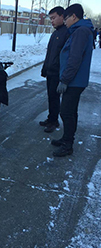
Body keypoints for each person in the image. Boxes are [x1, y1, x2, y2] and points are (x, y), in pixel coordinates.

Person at [51, 3, 94, 157]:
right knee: (71, 112)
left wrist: (65, 80)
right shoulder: (79, 30)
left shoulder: (81, 32)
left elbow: (74, 59)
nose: (65, 21)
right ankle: (66, 138)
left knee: (66, 112)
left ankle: (68, 145)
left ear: (74, 16)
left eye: (67, 17)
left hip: (74, 81)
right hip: (75, 81)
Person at [40, 6, 69, 133]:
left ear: (62, 16)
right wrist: (45, 67)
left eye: (53, 18)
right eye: (50, 18)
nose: (51, 21)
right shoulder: (55, 33)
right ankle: (50, 118)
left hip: (58, 73)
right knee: (51, 97)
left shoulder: (67, 33)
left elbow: (66, 56)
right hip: (50, 71)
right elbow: (50, 53)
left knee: (55, 98)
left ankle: (54, 121)